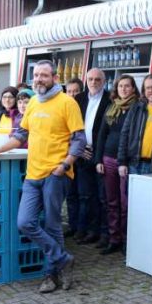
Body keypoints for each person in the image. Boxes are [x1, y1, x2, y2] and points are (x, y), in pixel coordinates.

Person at [0, 60, 85, 294]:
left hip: (56, 173)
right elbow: (21, 135)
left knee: (52, 225)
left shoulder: (67, 102)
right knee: (25, 222)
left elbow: (79, 139)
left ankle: (50, 276)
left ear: (54, 77)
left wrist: (65, 164)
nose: (39, 79)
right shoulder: (32, 103)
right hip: (33, 173)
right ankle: (63, 260)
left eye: (44, 75)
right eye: (36, 75)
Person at [95, 75, 139, 255]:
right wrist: (98, 159)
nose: (124, 89)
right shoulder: (112, 107)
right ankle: (114, 239)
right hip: (108, 159)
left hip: (126, 162)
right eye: (120, 86)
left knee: (126, 203)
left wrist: (126, 161)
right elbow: (102, 135)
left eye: (127, 86)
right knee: (111, 202)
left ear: (133, 88)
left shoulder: (137, 108)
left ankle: (127, 241)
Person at [73, 68, 111, 247]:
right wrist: (77, 149)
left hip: (100, 155)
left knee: (102, 197)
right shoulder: (78, 99)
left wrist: (100, 155)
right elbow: (69, 127)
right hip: (82, 153)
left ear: (104, 81)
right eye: (90, 79)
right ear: (85, 80)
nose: (94, 82)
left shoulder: (111, 100)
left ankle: (104, 233)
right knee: (85, 196)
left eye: (97, 79)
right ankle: (88, 230)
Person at [62, 77, 83, 237]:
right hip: (65, 156)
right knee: (70, 194)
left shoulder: (84, 107)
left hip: (81, 157)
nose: (72, 94)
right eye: (69, 91)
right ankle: (72, 225)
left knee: (82, 194)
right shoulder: (63, 108)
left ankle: (81, 227)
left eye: (76, 91)